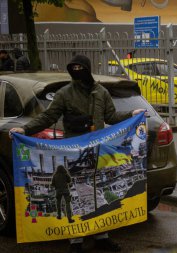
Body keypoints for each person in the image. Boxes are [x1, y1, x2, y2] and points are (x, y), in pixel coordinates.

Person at [10, 54, 147, 253]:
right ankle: (76, 241)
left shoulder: (101, 92)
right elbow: (49, 116)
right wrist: (25, 130)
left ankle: (102, 236)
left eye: (80, 68)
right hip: (74, 152)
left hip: (98, 150)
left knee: (99, 191)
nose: (76, 72)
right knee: (77, 193)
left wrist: (131, 114)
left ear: (87, 69)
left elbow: (110, 116)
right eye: (73, 68)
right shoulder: (65, 93)